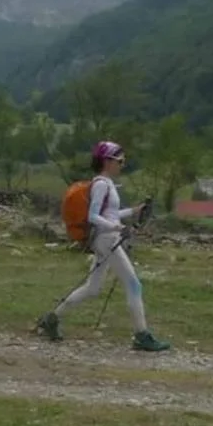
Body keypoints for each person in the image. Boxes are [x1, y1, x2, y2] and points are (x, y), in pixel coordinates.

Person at [36, 141, 172, 352]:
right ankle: (142, 335)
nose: (122, 165)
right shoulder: (101, 184)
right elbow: (93, 216)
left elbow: (109, 214)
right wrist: (117, 227)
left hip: (104, 239)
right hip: (108, 239)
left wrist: (133, 211)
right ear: (107, 161)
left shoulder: (105, 184)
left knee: (92, 288)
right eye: (120, 161)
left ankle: (51, 318)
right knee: (134, 285)